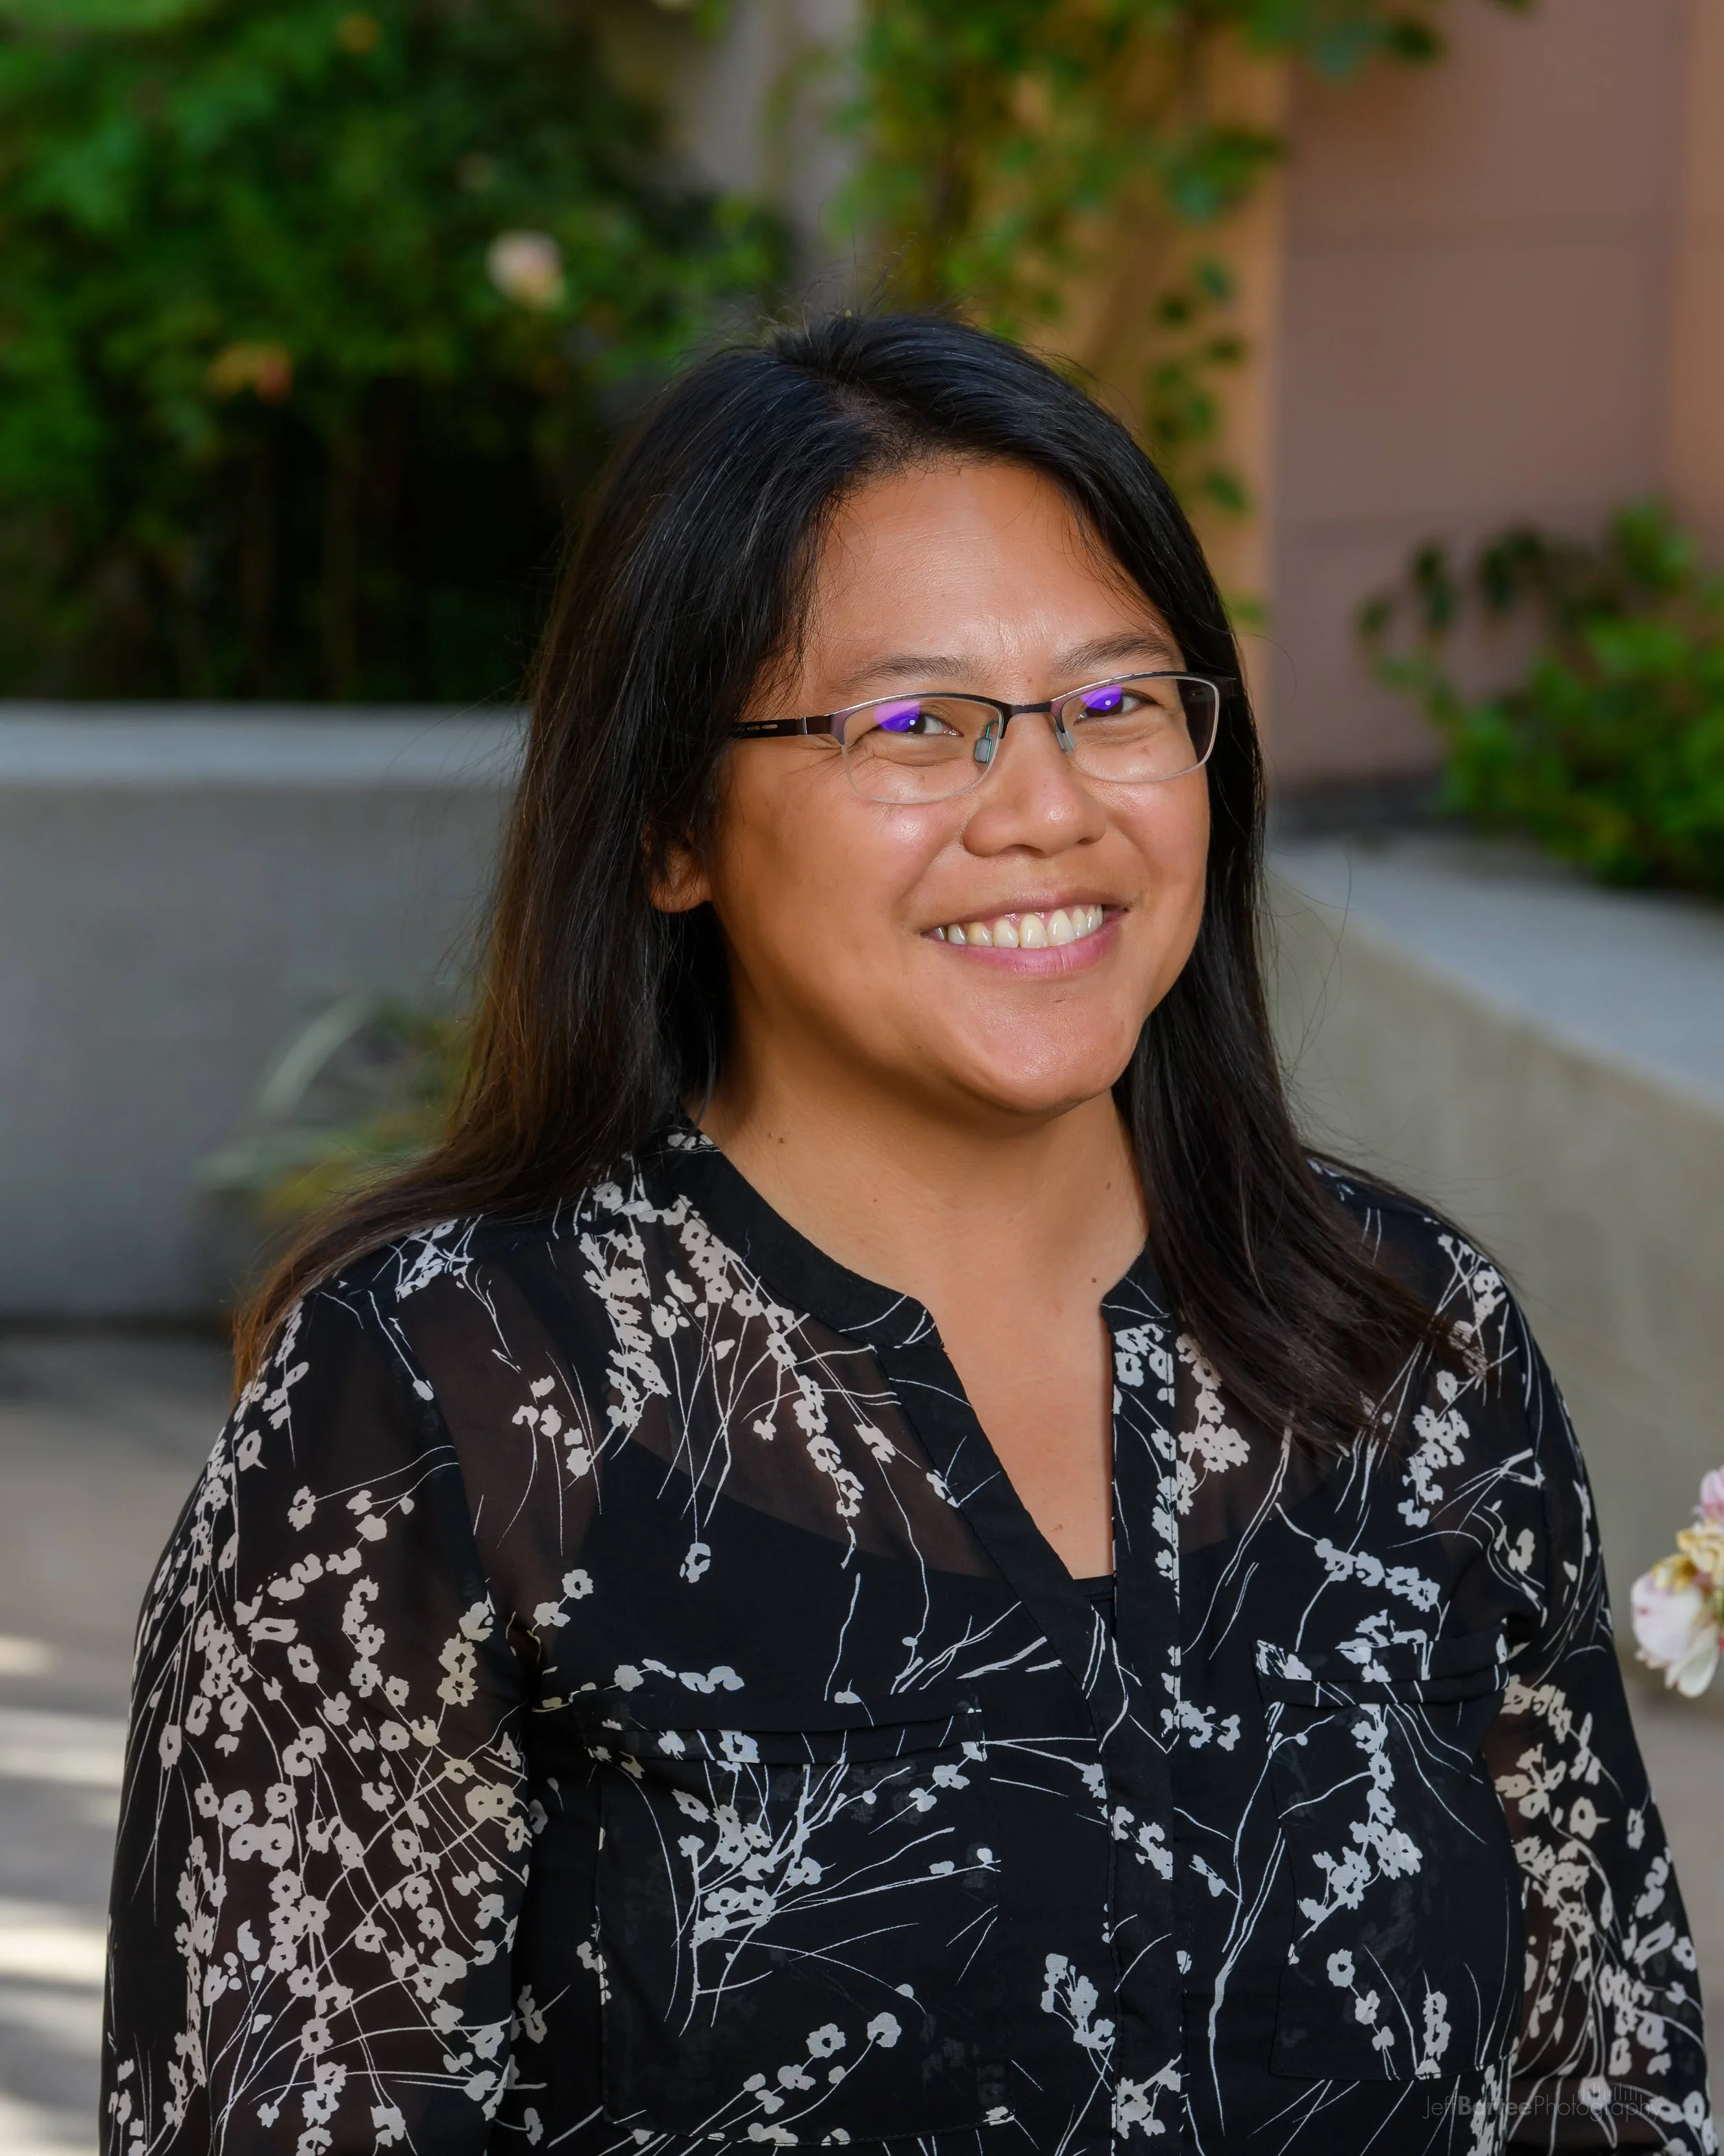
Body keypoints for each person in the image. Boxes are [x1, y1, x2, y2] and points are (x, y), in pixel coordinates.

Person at [103, 314, 1712, 2156]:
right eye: (912, 723)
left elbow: (1614, 2077)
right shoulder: (441, 1403)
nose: (1044, 809)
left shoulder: (1407, 1344)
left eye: (1118, 701)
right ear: (666, 826)